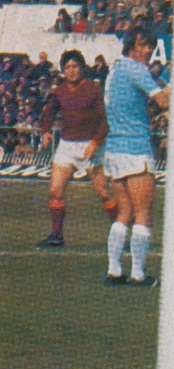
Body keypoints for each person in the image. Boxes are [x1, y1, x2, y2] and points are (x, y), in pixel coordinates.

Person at [102, 28, 170, 285]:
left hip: (114, 147)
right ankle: (138, 273)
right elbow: (163, 102)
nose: (148, 50)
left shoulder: (115, 69)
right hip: (135, 147)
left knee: (124, 212)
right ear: (131, 47)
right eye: (143, 45)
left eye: (150, 45)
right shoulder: (136, 70)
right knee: (143, 212)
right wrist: (173, 81)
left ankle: (114, 270)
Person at [35, 50, 116, 248]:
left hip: (90, 146)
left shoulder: (93, 90)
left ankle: (120, 233)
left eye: (75, 66)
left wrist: (95, 143)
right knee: (55, 190)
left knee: (103, 192)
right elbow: (49, 112)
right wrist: (45, 131)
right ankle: (56, 235)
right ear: (63, 70)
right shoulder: (59, 91)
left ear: (82, 68)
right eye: (67, 67)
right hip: (66, 146)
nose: (71, 71)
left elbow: (104, 121)